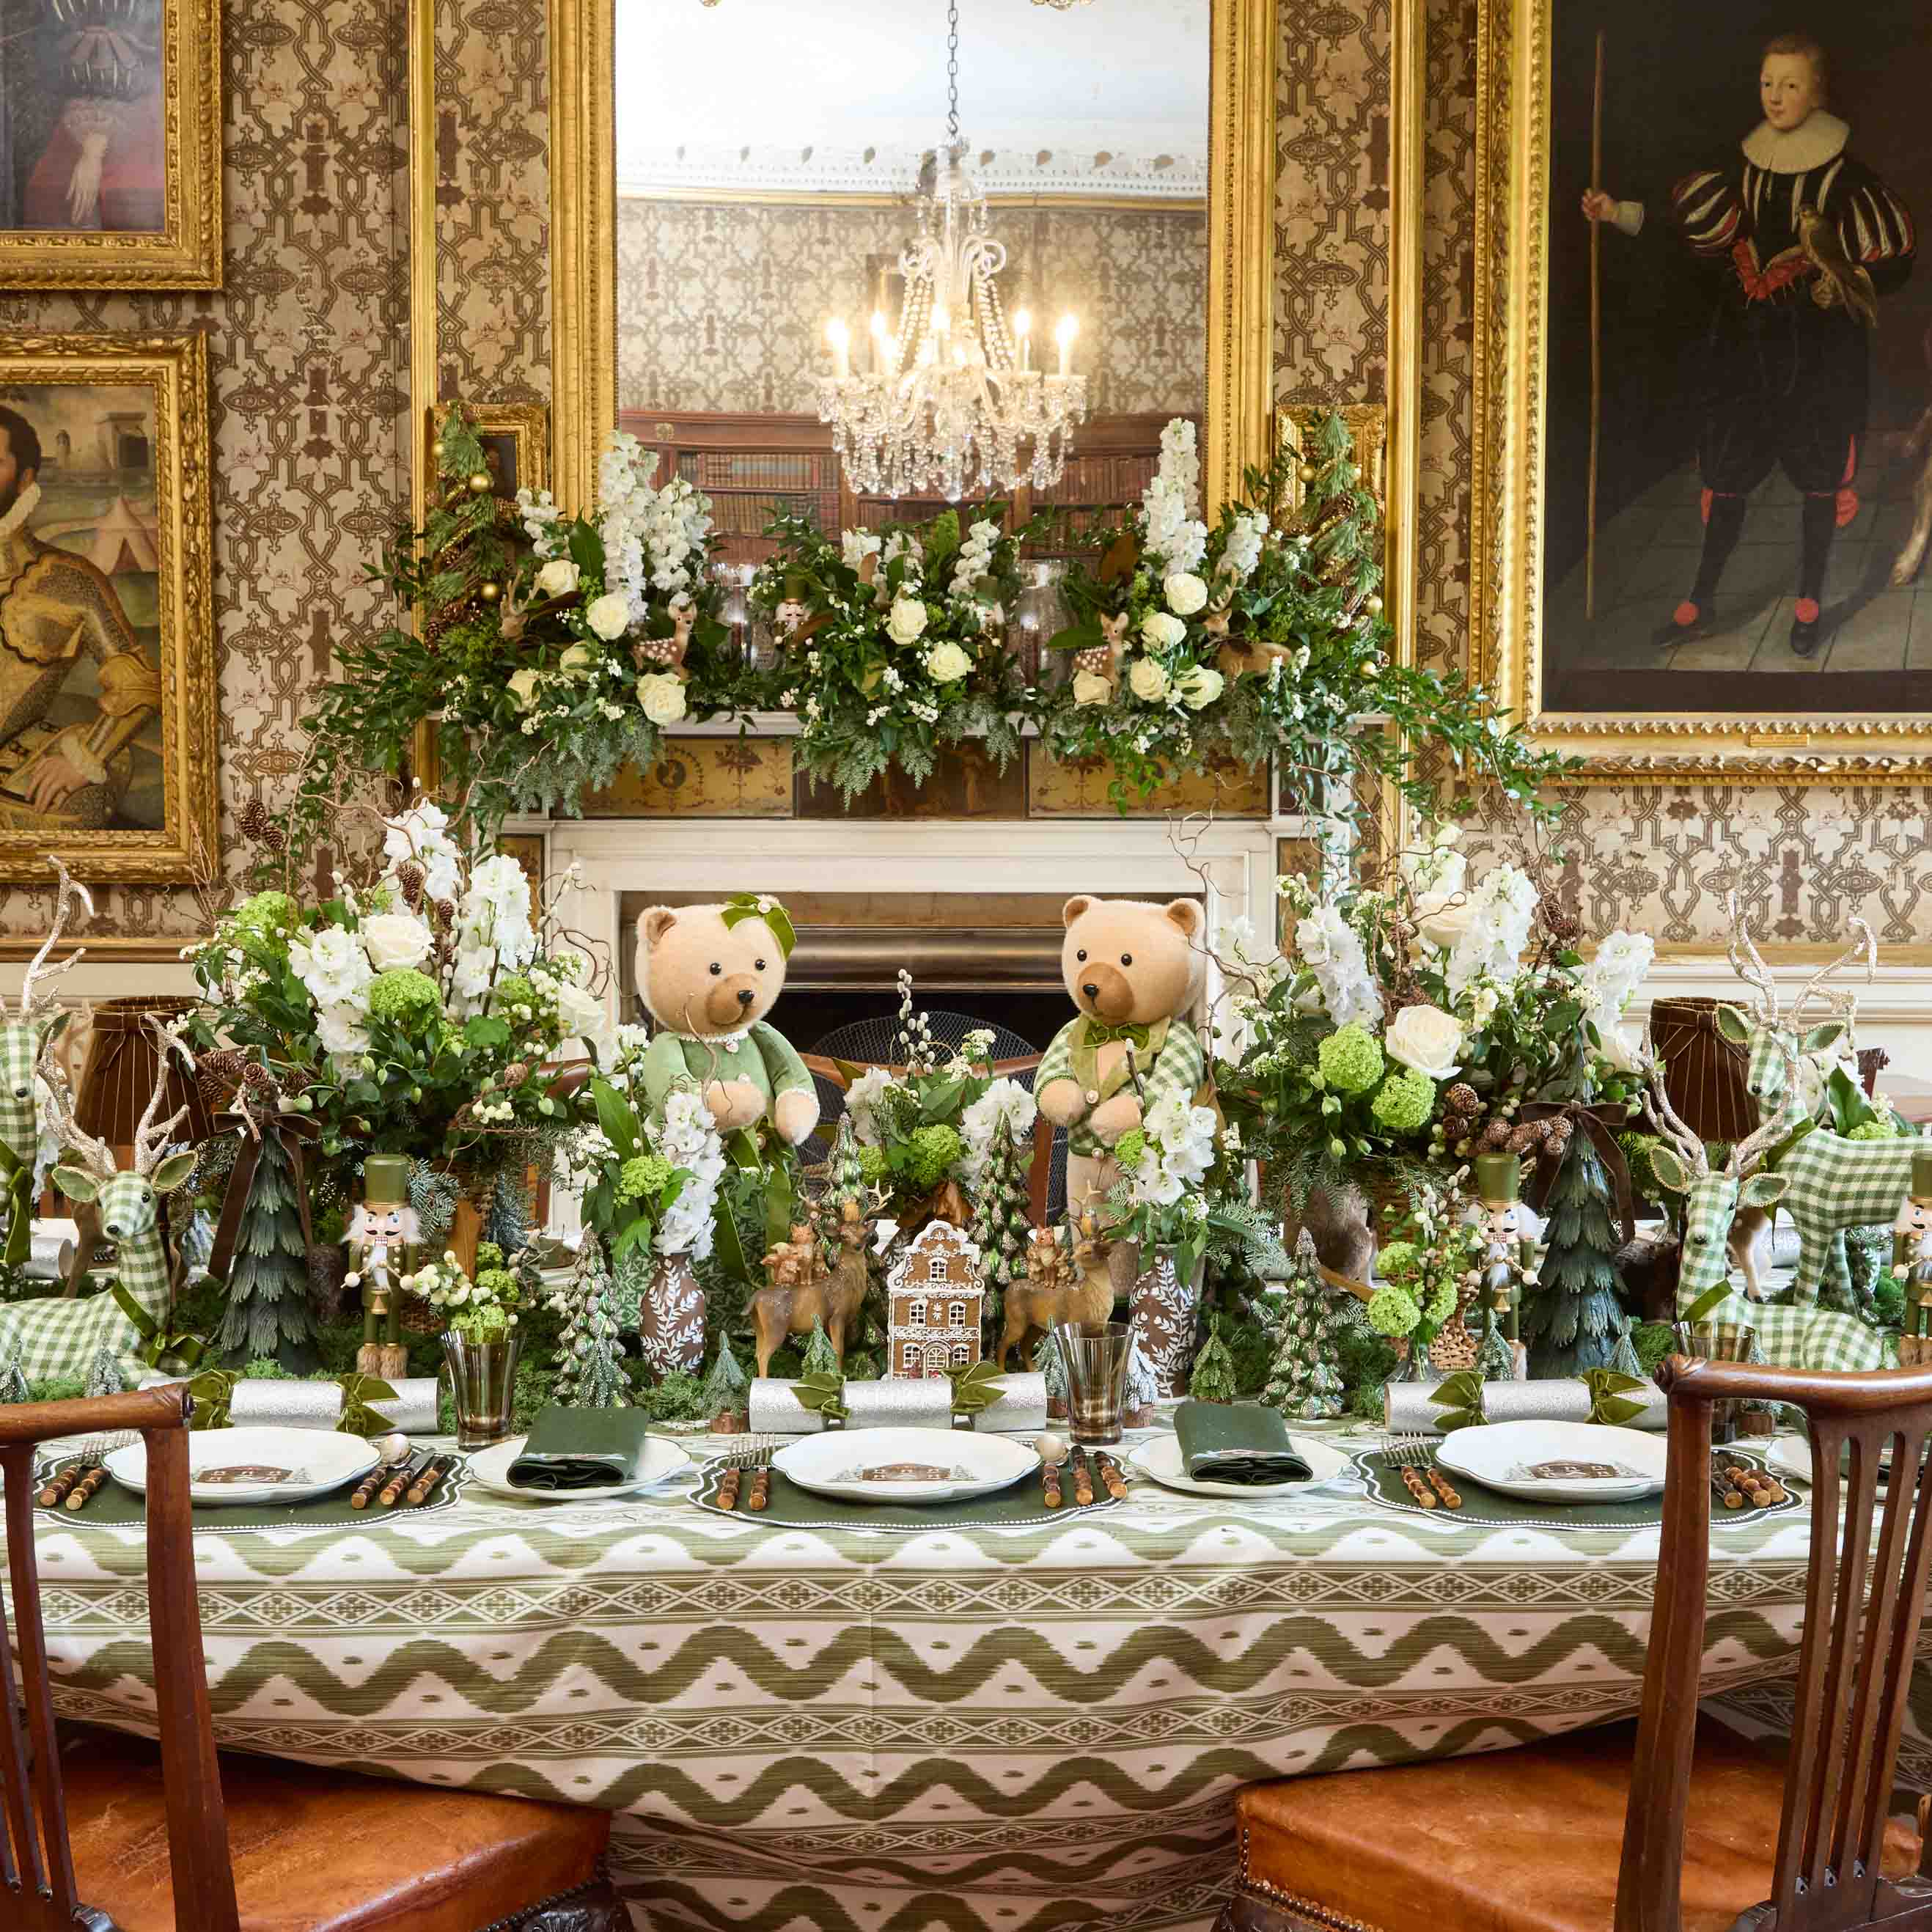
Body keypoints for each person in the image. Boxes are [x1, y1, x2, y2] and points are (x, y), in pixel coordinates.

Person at [1583, 32, 1915, 657]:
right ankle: (1699, 600)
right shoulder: (1741, 167)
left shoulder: (1849, 179)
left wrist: (1843, 281)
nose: (1775, 96)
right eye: (1767, 83)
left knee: (1817, 477)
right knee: (1730, 472)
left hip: (1819, 354)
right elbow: (1681, 226)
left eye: (1790, 84)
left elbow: (1894, 262)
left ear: (1817, 92)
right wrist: (1614, 213)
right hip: (1742, 350)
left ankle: (1809, 600)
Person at [0, 406, 161, 823]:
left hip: (15, 772)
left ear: (25, 479)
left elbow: (138, 686)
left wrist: (84, 757)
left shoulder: (70, 579)